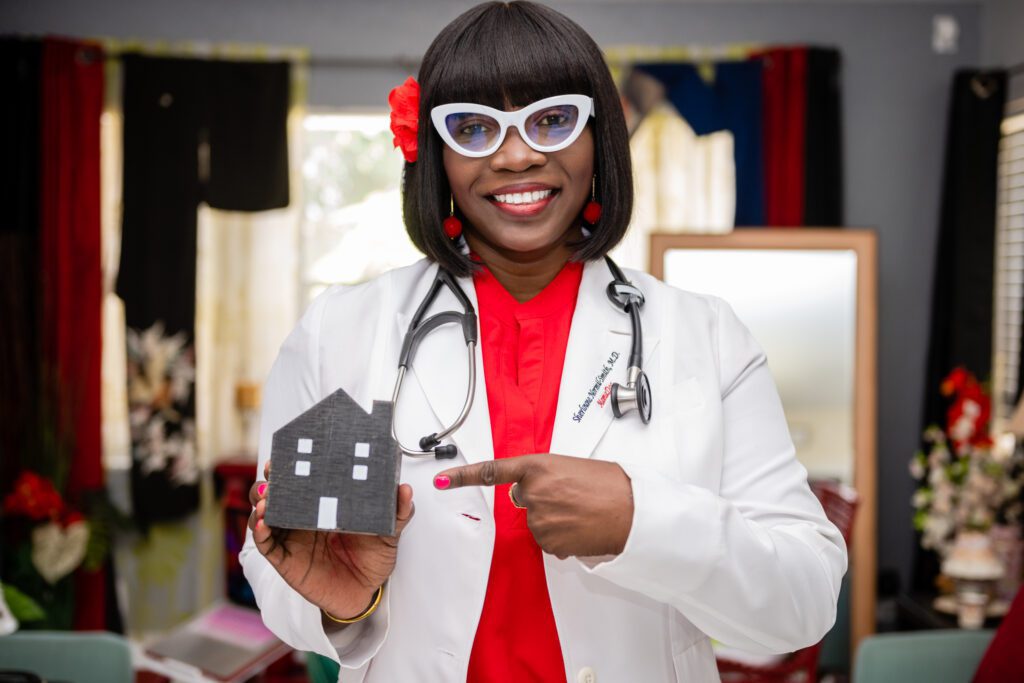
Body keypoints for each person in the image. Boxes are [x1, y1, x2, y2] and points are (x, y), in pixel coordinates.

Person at [240, 2, 847, 681]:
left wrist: (641, 521)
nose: (517, 155)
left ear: (599, 138)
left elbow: (804, 598)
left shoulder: (703, 336)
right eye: (473, 128)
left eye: (551, 120)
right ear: (436, 153)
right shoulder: (345, 335)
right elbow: (284, 559)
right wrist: (344, 606)